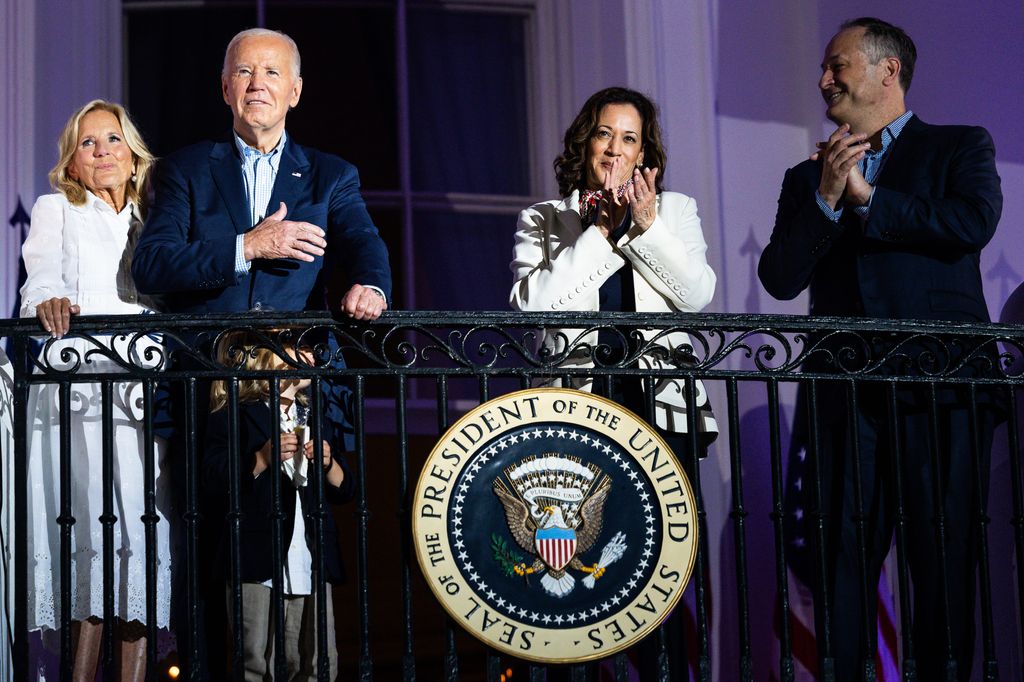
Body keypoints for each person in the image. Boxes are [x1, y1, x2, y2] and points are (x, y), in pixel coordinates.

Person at [130, 27, 391, 675]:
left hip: (295, 384)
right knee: (204, 546)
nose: (257, 84)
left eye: (272, 74)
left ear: (295, 91)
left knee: (295, 541)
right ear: (225, 87)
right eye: (244, 72)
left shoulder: (331, 175)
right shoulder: (187, 168)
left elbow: (362, 242)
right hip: (206, 389)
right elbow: (154, 264)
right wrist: (250, 245)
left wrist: (372, 285)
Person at [758, 18, 1002, 680]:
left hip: (942, 395)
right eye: (823, 68)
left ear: (886, 71)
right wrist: (831, 200)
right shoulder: (806, 177)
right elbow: (780, 277)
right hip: (844, 401)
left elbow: (971, 223)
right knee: (840, 571)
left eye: (838, 65)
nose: (823, 79)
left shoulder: (957, 148)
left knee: (944, 569)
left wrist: (872, 198)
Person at [509, 87, 717, 679]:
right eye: (606, 134)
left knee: (662, 575)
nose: (616, 149)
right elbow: (536, 306)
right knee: (574, 575)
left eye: (631, 138)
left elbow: (698, 296)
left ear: (645, 150)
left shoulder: (675, 211)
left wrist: (645, 227)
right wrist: (599, 234)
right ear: (586, 141)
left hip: (662, 411)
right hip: (577, 416)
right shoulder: (545, 219)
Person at [19, 99, 173, 681]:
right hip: (79, 395)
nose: (103, 150)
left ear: (134, 157)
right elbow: (39, 282)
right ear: (73, 164)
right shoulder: (58, 208)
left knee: (140, 540)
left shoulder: (155, 222)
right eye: (88, 144)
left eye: (113, 140)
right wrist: (49, 302)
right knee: (91, 536)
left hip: (143, 400)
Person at [204, 331, 352, 681]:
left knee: (318, 660)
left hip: (310, 553)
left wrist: (328, 462)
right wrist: (260, 458)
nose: (305, 354)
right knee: (255, 659)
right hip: (257, 555)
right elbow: (211, 479)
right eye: (294, 347)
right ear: (260, 358)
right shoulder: (235, 414)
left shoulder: (314, 415)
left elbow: (346, 490)